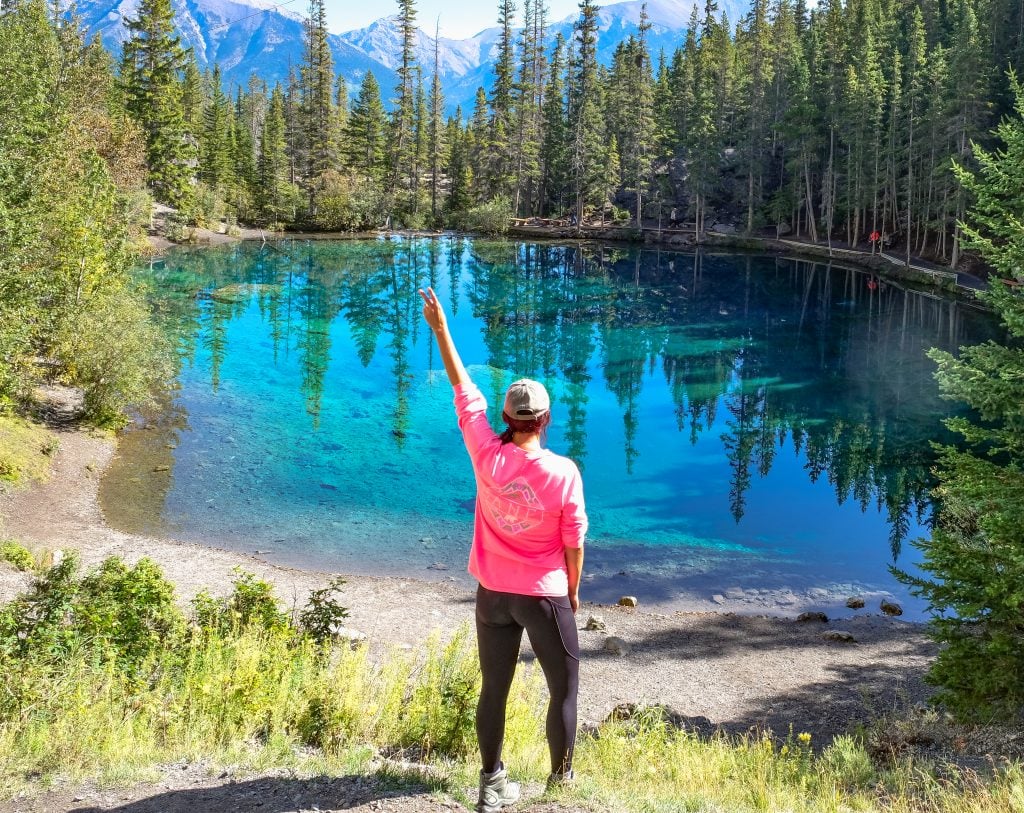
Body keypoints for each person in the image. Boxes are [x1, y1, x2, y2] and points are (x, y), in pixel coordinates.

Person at [418, 287, 587, 813]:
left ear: (511, 418)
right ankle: (560, 786)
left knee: (495, 687)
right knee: (563, 686)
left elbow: (462, 386)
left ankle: (492, 784)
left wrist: (441, 328)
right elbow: (573, 542)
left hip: (492, 594)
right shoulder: (563, 472)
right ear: (544, 419)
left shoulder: (483, 451)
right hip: (542, 595)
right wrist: (573, 594)